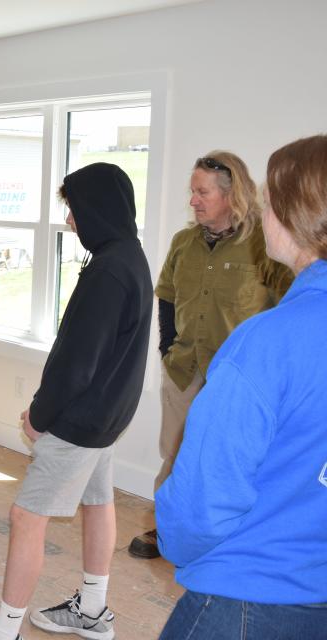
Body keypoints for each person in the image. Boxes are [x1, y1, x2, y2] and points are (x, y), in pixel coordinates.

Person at [0, 163, 152, 640]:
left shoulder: (110, 270)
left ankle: (4, 633)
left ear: (95, 207)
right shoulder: (128, 255)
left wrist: (40, 416)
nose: (70, 220)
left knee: (26, 517)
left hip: (79, 421)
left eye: (72, 209)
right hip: (108, 417)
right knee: (99, 502)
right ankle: (92, 609)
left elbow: (78, 364)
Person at [156, 135, 327, 638]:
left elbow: (201, 500)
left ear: (301, 215)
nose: (264, 210)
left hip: (248, 596)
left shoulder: (267, 342)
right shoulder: (186, 244)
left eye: (272, 199)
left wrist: (182, 545)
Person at [129, 152, 293, 559]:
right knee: (175, 456)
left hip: (238, 378)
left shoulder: (264, 244)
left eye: (202, 192)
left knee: (233, 461)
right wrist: (168, 347)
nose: (193, 201)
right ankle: (164, 530)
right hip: (184, 369)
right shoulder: (184, 242)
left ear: (231, 193)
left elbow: (286, 308)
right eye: (193, 191)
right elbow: (165, 294)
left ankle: (230, 540)